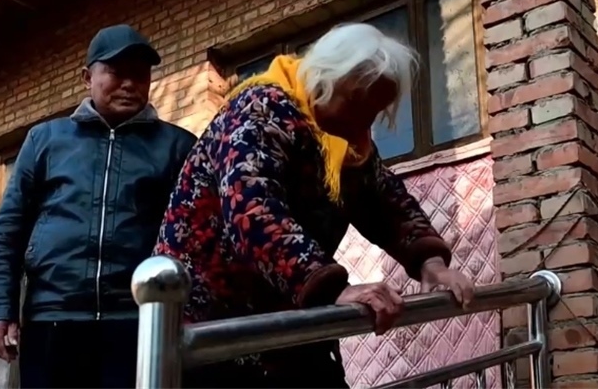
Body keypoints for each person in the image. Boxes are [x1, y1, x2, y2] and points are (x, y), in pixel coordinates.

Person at [154, 23, 477, 388]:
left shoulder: (345, 136)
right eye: (357, 102)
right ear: (324, 80)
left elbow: (385, 200)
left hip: (288, 322)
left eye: (376, 111)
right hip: (214, 328)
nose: (365, 122)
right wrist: (334, 289)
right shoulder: (260, 110)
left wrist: (431, 264)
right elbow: (254, 212)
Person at [0, 24, 197, 389]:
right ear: (87, 77)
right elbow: (8, 232)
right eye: (116, 72)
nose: (129, 84)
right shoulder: (45, 140)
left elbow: (193, 237)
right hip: (52, 318)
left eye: (139, 74)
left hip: (139, 322)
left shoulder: (177, 146)